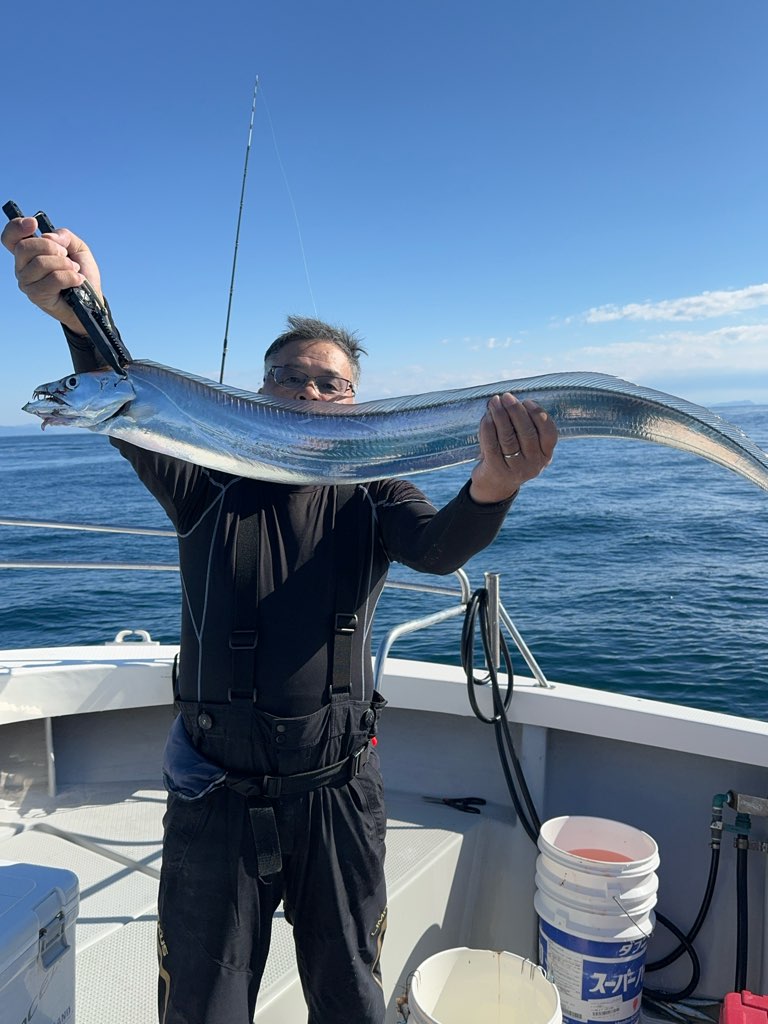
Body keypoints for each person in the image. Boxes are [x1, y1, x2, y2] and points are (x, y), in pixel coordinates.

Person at [3, 215, 558, 1024]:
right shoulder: (201, 476)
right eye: (288, 378)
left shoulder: (377, 489)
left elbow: (439, 549)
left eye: (330, 383)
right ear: (259, 393)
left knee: (351, 997)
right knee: (202, 1006)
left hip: (338, 788)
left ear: (356, 403)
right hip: (213, 792)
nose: (308, 391)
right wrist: (82, 309)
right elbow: (130, 398)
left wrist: (493, 487)